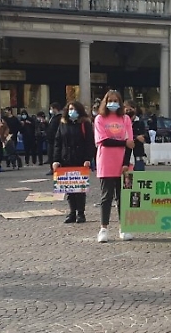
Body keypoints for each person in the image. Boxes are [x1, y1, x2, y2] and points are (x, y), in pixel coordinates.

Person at [94, 90, 135, 242]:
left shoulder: (125, 119)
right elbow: (103, 141)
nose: (113, 103)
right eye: (110, 100)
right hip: (106, 161)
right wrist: (123, 142)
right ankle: (103, 228)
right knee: (106, 197)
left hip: (123, 163)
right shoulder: (99, 119)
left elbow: (130, 142)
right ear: (105, 102)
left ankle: (124, 227)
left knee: (123, 197)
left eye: (116, 100)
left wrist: (125, 163)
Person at [52, 101, 96, 224]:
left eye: (75, 109)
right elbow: (58, 142)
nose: (72, 111)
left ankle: (81, 213)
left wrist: (88, 158)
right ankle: (72, 212)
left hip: (80, 160)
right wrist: (56, 160)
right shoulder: (63, 123)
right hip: (66, 159)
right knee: (69, 188)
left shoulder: (85, 124)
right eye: (70, 109)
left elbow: (89, 142)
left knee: (80, 189)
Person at [124, 101, 149, 172]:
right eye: (127, 110)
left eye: (130, 110)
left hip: (138, 154)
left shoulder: (140, 122)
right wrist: (136, 137)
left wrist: (142, 138)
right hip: (125, 155)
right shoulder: (121, 122)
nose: (128, 112)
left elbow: (145, 137)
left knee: (139, 176)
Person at [45, 102, 63, 175]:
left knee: (54, 154)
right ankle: (52, 168)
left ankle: (55, 168)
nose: (51, 110)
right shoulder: (53, 117)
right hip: (50, 139)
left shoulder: (60, 117)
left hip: (55, 139)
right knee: (50, 154)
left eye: (52, 109)